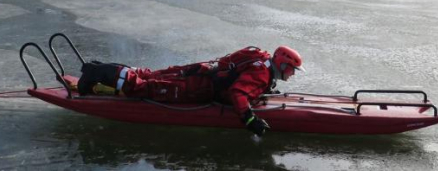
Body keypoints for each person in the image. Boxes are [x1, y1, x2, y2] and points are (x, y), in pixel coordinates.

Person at [77, 45, 304, 136]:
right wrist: (250, 120)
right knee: (146, 88)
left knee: (153, 75)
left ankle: (100, 67)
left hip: (202, 70)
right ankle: (97, 74)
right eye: (292, 70)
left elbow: (236, 67)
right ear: (282, 66)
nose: (292, 74)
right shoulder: (262, 73)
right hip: (198, 88)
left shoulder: (261, 57)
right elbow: (238, 94)